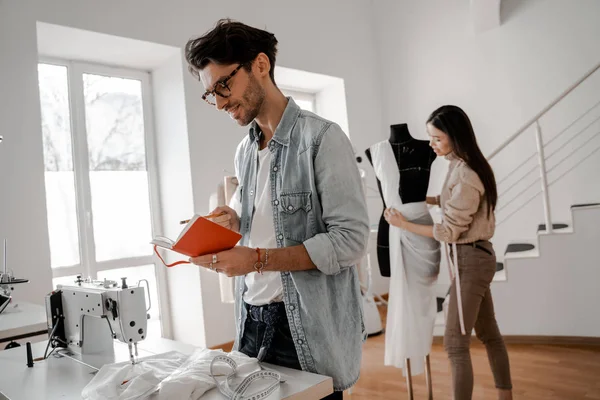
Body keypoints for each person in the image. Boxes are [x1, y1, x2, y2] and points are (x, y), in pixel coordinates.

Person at [184, 19, 369, 399]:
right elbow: (260, 220)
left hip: (303, 328)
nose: (218, 102)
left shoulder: (323, 139)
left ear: (261, 65)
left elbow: (350, 242)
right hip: (250, 322)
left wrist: (255, 259)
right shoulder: (246, 151)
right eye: (210, 94)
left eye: (223, 85)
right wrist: (229, 221)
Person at [383, 105, 513, 400]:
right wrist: (424, 200)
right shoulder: (462, 165)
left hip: (471, 260)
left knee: (455, 343)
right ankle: (506, 395)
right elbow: (451, 198)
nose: (431, 145)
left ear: (456, 137)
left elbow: (448, 232)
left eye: (437, 139)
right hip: (472, 259)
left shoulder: (467, 173)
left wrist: (403, 223)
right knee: (489, 334)